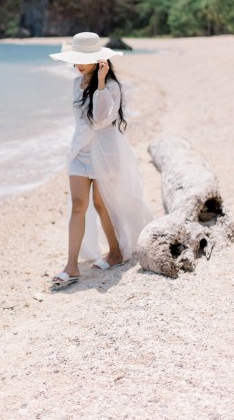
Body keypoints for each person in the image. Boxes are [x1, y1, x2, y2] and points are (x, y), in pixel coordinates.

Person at [49, 32, 153, 289]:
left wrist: (103, 83)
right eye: (76, 59)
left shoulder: (113, 87)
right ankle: (71, 266)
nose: (79, 64)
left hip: (105, 150)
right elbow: (82, 123)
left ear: (99, 60)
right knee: (78, 204)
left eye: (85, 59)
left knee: (102, 203)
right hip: (80, 150)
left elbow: (101, 118)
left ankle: (116, 251)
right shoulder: (76, 84)